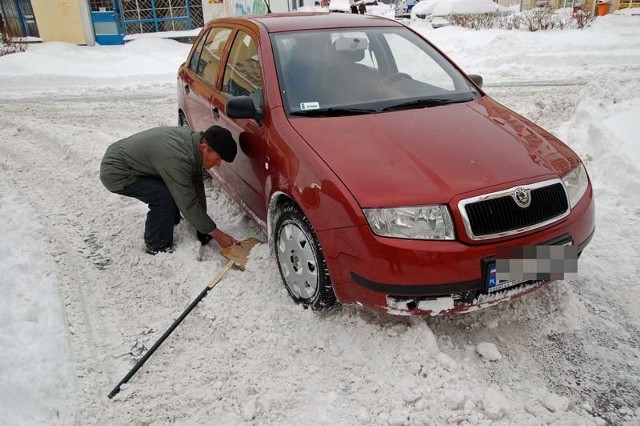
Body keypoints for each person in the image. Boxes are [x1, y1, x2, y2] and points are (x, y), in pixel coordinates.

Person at [100, 125, 239, 254]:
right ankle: (157, 245)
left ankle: (169, 220)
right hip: (116, 171)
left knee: (174, 187)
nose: (218, 164)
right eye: (217, 158)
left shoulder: (192, 146)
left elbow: (195, 185)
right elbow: (188, 203)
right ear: (203, 147)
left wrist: (204, 230)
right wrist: (217, 234)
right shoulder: (179, 159)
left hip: (131, 159)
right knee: (163, 196)